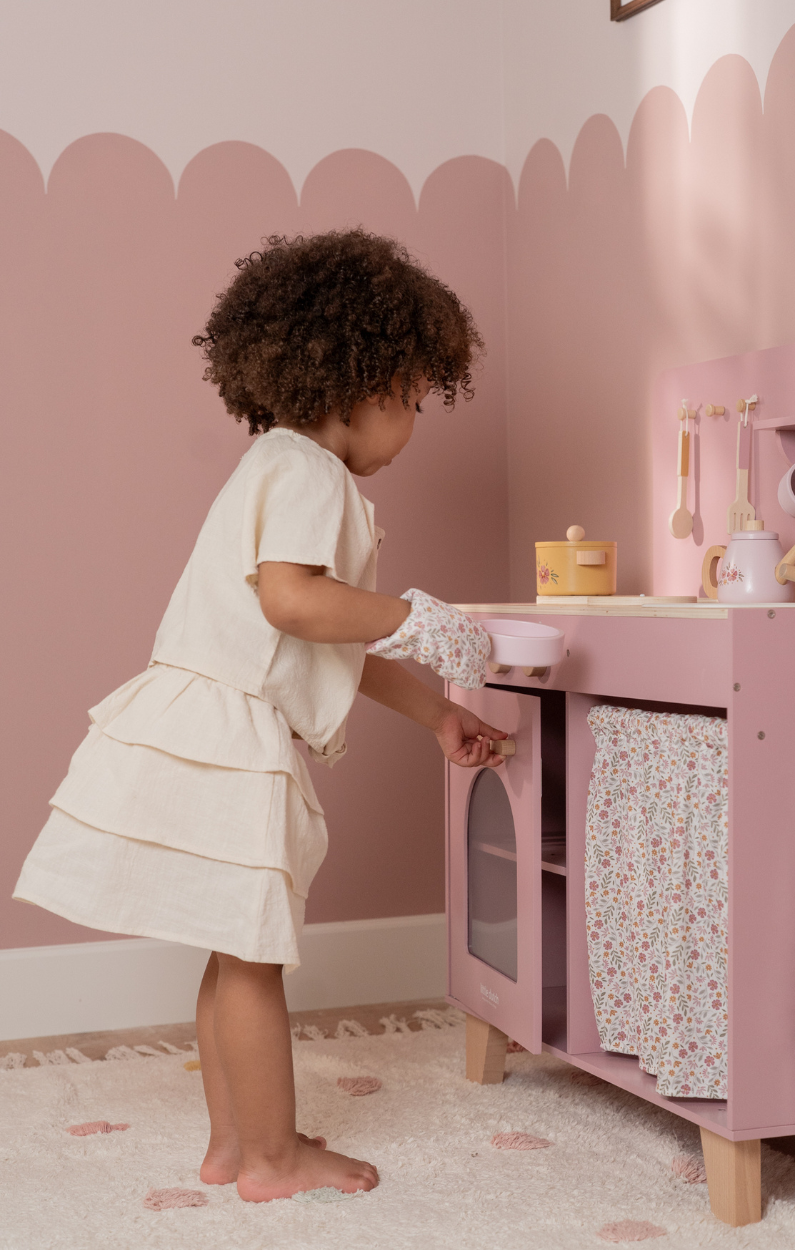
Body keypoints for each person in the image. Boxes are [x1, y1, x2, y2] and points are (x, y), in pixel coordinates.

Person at [13, 230, 505, 1202]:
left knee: (232, 950)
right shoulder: (311, 474)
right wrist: (421, 617)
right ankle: (274, 1160)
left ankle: (235, 1143)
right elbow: (295, 602)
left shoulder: (276, 466)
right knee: (253, 959)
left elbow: (324, 640)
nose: (411, 421)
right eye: (411, 399)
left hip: (203, 720)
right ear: (363, 384)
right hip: (222, 738)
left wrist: (436, 714)